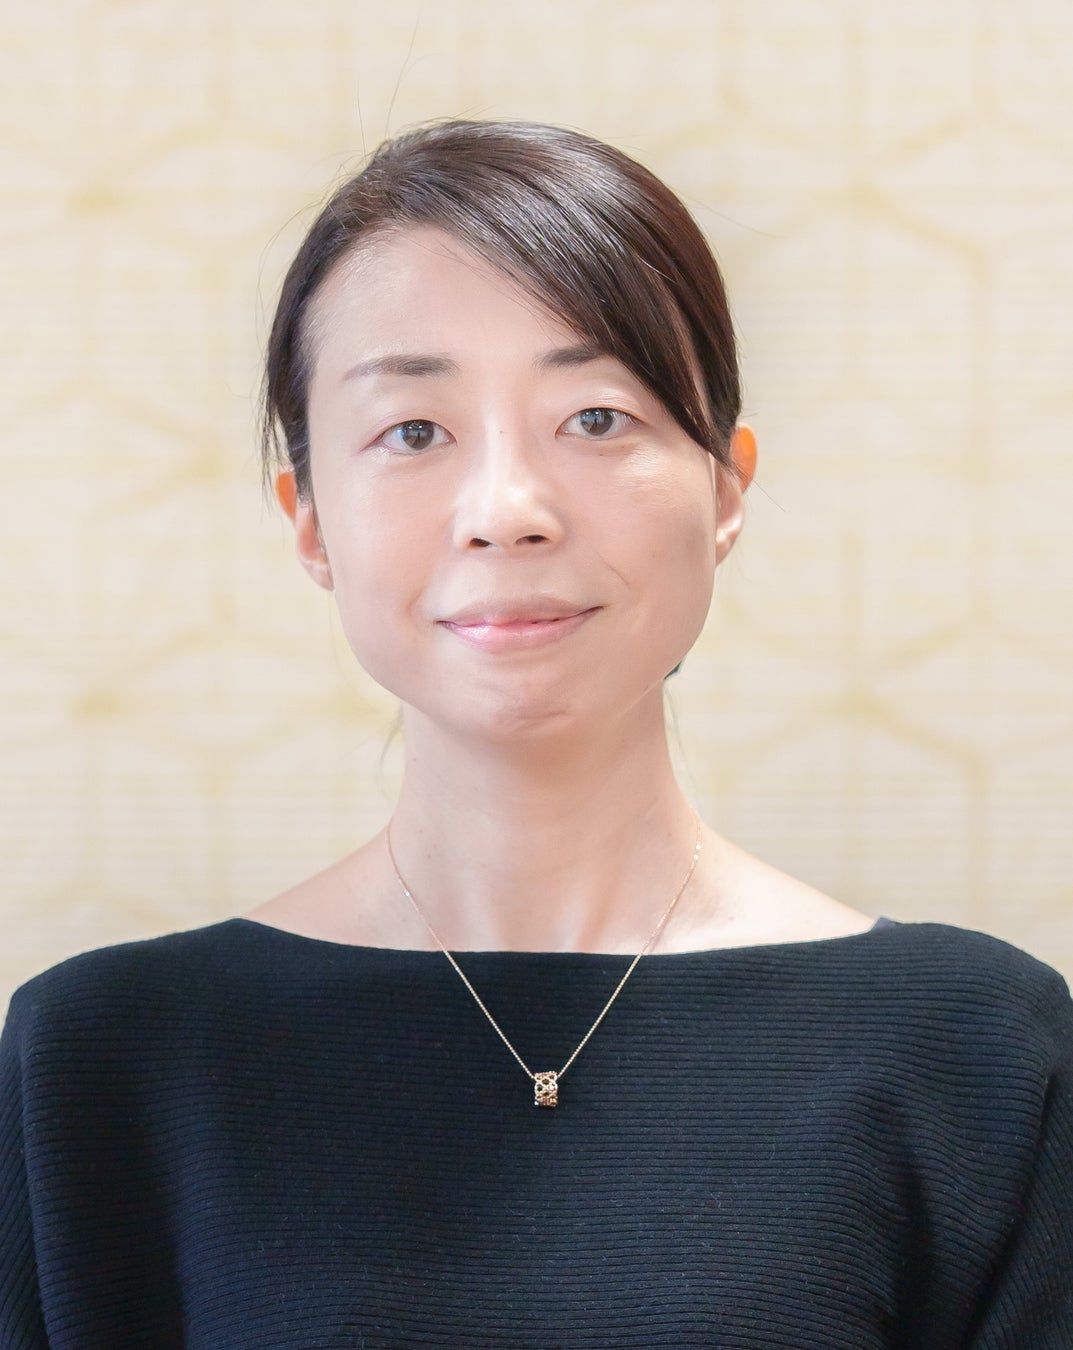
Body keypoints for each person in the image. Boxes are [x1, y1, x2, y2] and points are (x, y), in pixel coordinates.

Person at [1, 120, 1071, 1349]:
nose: (506, 510)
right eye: (414, 431)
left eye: (596, 418)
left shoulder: (975, 1050)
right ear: (309, 520)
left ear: (725, 486)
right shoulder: (103, 1062)